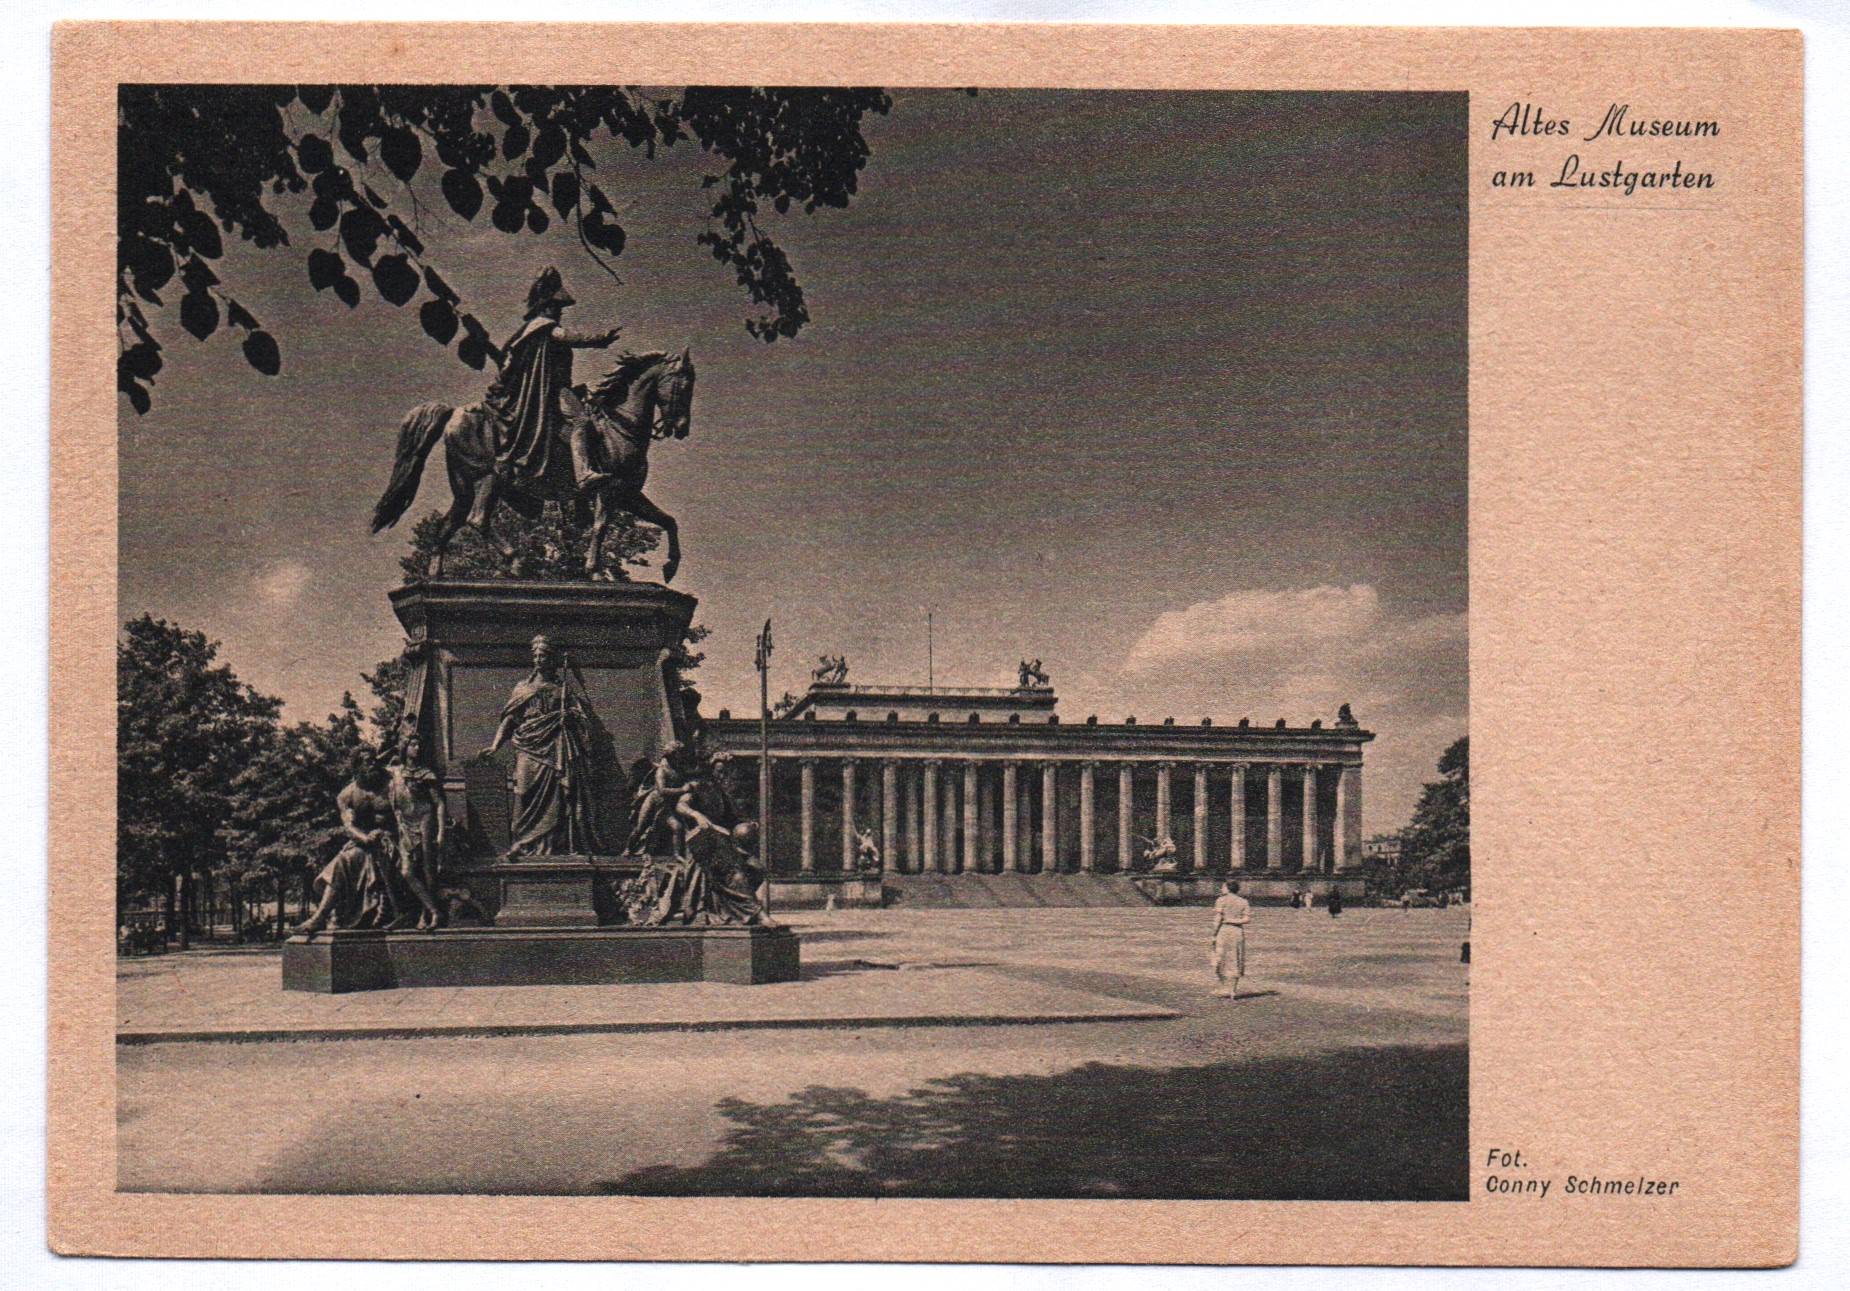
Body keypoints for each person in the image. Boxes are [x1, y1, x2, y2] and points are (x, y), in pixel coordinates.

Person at [482, 266, 622, 492]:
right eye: (558, 307)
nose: (560, 312)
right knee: (582, 421)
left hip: (553, 390)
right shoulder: (545, 327)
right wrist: (601, 338)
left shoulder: (529, 330)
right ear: (547, 306)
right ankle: (583, 474)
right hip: (554, 391)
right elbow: (569, 337)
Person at [477, 635, 606, 856]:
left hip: (554, 748)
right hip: (528, 746)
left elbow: (582, 718)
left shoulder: (563, 689)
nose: (538, 659)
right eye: (535, 655)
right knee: (524, 791)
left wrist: (570, 716)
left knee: (555, 796)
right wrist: (495, 746)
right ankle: (522, 841)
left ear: (552, 659)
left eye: (543, 655)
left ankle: (549, 845)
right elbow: (509, 720)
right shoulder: (522, 688)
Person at [294, 750, 401, 934]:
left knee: (365, 856)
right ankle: (320, 917)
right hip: (364, 843)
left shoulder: (391, 784)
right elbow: (348, 826)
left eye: (375, 761)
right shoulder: (347, 795)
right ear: (357, 766)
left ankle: (324, 916)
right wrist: (365, 838)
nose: (373, 764)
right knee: (343, 860)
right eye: (367, 762)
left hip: (393, 839)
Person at [387, 732, 447, 929]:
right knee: (407, 872)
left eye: (419, 745)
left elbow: (439, 803)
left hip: (424, 821)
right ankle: (432, 910)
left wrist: (440, 833)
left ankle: (427, 915)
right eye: (413, 744)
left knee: (427, 871)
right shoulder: (394, 773)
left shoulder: (426, 774)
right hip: (405, 825)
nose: (417, 748)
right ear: (405, 747)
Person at [1210, 879, 1251, 999]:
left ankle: (1223, 988)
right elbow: (1247, 919)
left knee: (1219, 958)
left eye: (1223, 887)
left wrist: (1213, 934)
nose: (1222, 889)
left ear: (1227, 888)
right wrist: (1234, 920)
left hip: (1224, 931)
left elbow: (1217, 919)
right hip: (1237, 931)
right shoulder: (1243, 901)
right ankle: (1233, 990)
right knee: (1235, 958)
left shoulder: (1221, 900)